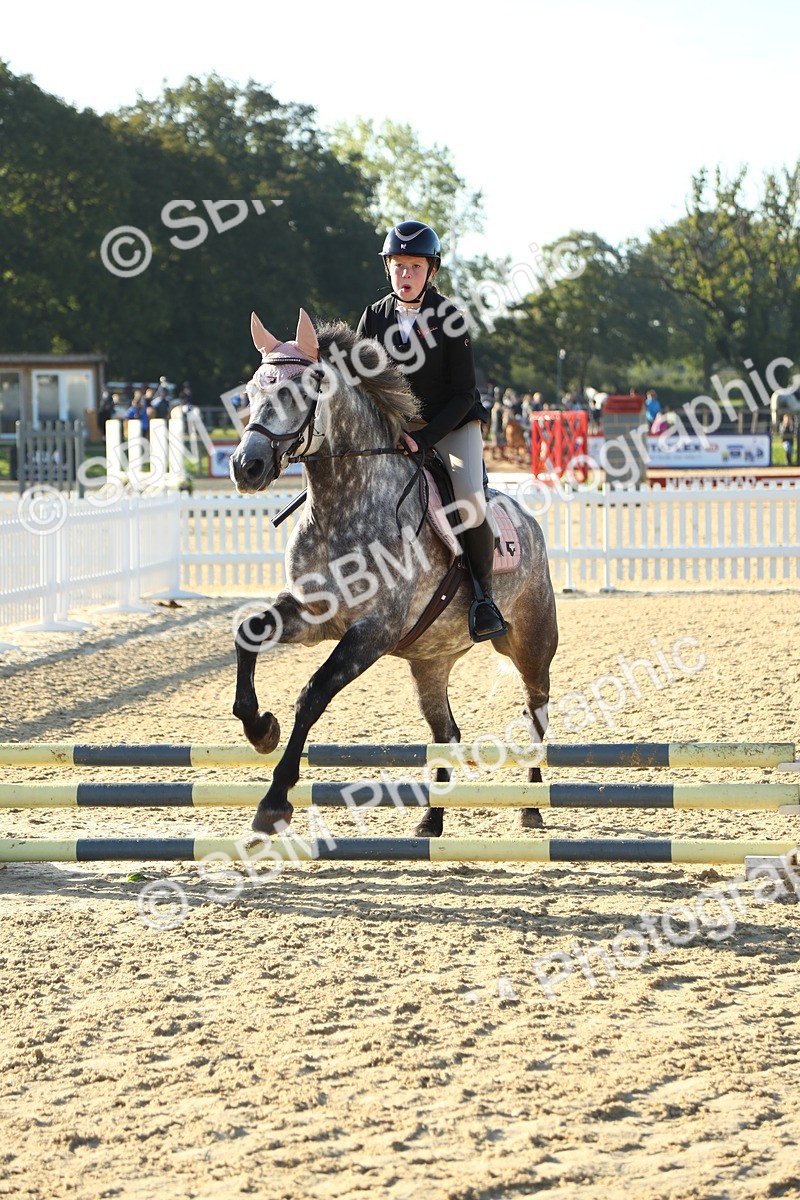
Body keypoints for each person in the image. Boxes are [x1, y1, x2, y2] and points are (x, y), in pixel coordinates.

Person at [356, 220, 507, 641]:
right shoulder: (374, 317)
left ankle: (484, 597)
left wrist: (423, 439)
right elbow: (361, 382)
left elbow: (463, 394)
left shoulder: (450, 317)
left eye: (415, 267)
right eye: (399, 266)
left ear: (432, 272)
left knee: (469, 499)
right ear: (388, 268)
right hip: (397, 425)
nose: (406, 275)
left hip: (452, 424)